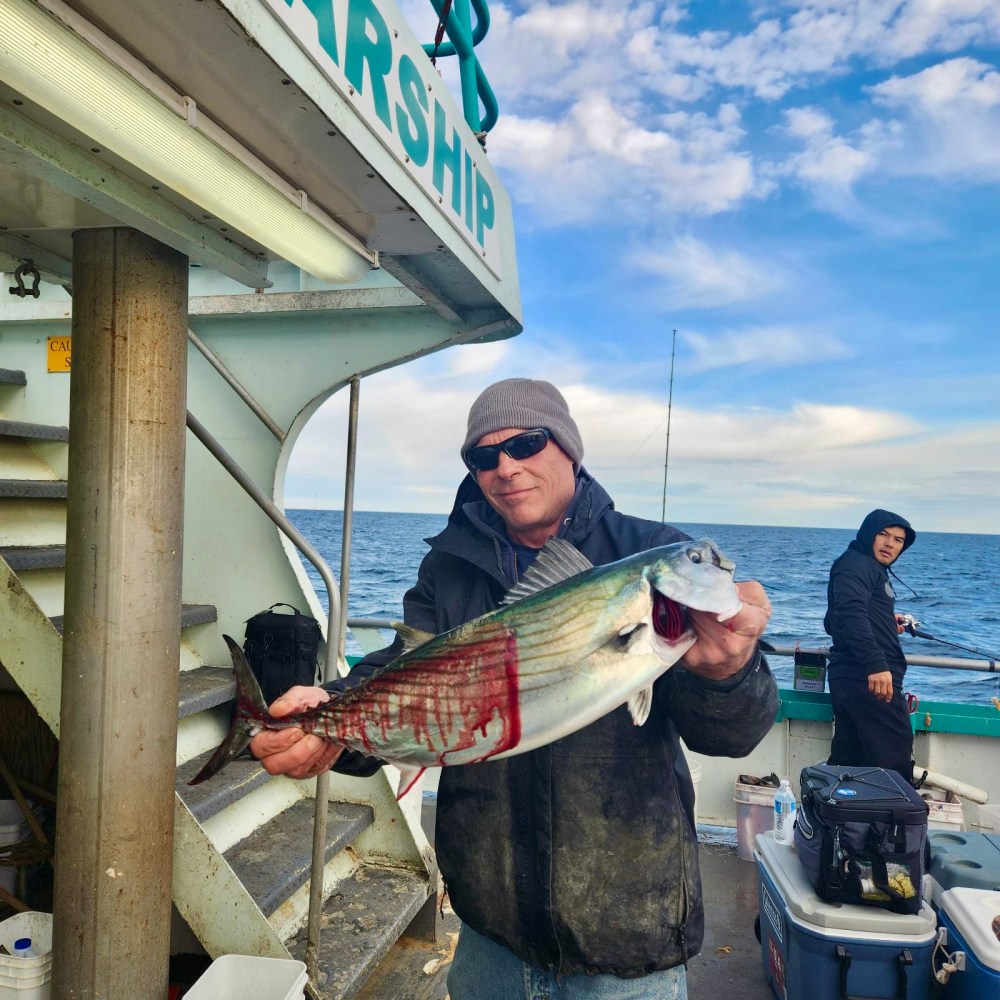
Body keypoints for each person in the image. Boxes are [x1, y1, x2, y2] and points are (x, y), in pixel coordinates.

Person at [251, 378, 778, 999]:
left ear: (569, 450)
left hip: (627, 929)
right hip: (488, 931)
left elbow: (733, 735)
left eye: (527, 443)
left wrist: (727, 672)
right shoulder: (448, 566)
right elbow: (407, 671)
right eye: (483, 455)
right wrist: (337, 718)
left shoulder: (649, 551)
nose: (506, 467)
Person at [824, 509, 917, 783]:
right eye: (883, 534)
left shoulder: (863, 566)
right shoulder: (857, 564)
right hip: (870, 682)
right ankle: (889, 826)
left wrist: (886, 623)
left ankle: (842, 825)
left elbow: (833, 621)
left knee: (849, 768)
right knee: (891, 772)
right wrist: (876, 664)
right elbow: (850, 613)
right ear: (868, 534)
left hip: (854, 679)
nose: (890, 543)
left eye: (899, 540)